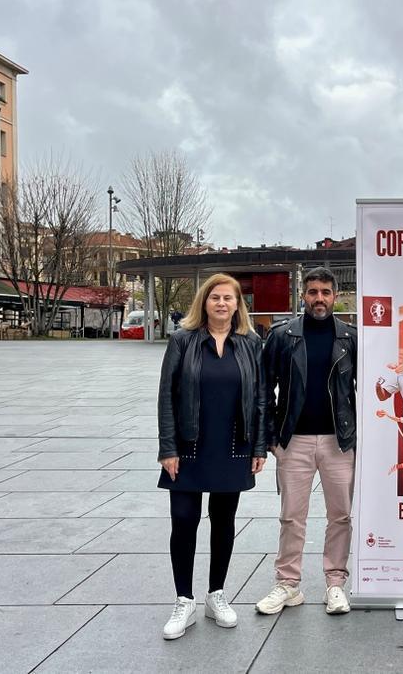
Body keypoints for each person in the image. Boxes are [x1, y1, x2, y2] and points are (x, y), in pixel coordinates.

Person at [157, 273, 267, 640]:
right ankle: (183, 599)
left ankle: (216, 595)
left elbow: (263, 398)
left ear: (238, 304)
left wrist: (259, 446)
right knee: (184, 520)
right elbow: (167, 398)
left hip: (233, 445)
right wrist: (168, 448)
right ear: (204, 302)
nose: (222, 304)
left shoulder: (251, 343)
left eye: (228, 298)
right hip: (189, 447)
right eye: (215, 298)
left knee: (223, 521)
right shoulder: (182, 341)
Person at [257, 267, 357, 616]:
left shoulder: (349, 337)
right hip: (293, 440)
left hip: (338, 442)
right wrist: (270, 437)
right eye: (312, 292)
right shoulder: (283, 336)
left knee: (340, 516)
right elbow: (263, 388)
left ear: (334, 296)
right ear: (303, 294)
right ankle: (287, 584)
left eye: (325, 292)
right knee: (291, 517)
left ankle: (335, 584)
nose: (319, 299)